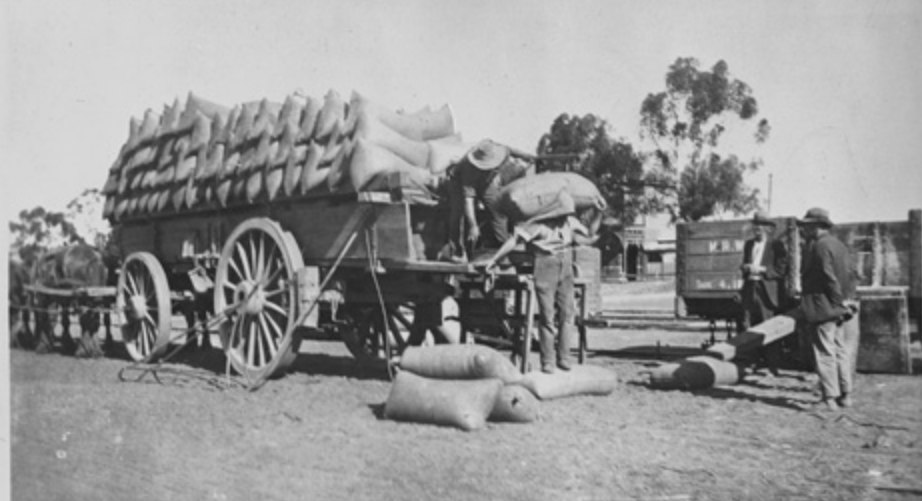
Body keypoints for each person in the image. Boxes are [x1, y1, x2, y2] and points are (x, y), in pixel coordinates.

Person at [476, 190, 596, 374]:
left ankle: (564, 358)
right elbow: (513, 241)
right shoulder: (537, 226)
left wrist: (599, 213)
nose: (565, 216)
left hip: (566, 265)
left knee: (568, 313)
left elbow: (589, 233)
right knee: (547, 317)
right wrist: (495, 260)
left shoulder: (570, 222)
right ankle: (547, 361)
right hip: (545, 265)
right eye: (563, 213)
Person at [797, 207, 858, 410]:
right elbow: (850, 274)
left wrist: (837, 300)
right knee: (840, 351)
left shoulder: (819, 246)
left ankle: (829, 399)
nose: (804, 230)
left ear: (816, 227)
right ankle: (846, 395)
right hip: (839, 308)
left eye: (807, 226)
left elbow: (827, 276)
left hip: (824, 307)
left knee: (824, 353)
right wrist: (845, 302)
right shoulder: (839, 245)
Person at [447, 139, 533, 259]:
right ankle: (458, 251)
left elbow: (511, 150)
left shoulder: (500, 151)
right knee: (458, 213)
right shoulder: (468, 168)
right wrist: (473, 225)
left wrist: (528, 156)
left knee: (497, 208)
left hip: (487, 181)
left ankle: (504, 246)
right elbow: (468, 200)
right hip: (459, 182)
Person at [738, 210, 791, 374]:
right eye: (755, 225)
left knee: (768, 325)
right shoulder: (748, 245)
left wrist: (762, 270)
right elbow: (744, 266)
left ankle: (772, 365)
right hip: (750, 288)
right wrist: (745, 268)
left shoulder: (776, 245)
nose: (757, 229)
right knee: (748, 324)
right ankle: (751, 362)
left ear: (768, 228)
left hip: (766, 290)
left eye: (761, 225)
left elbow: (781, 270)